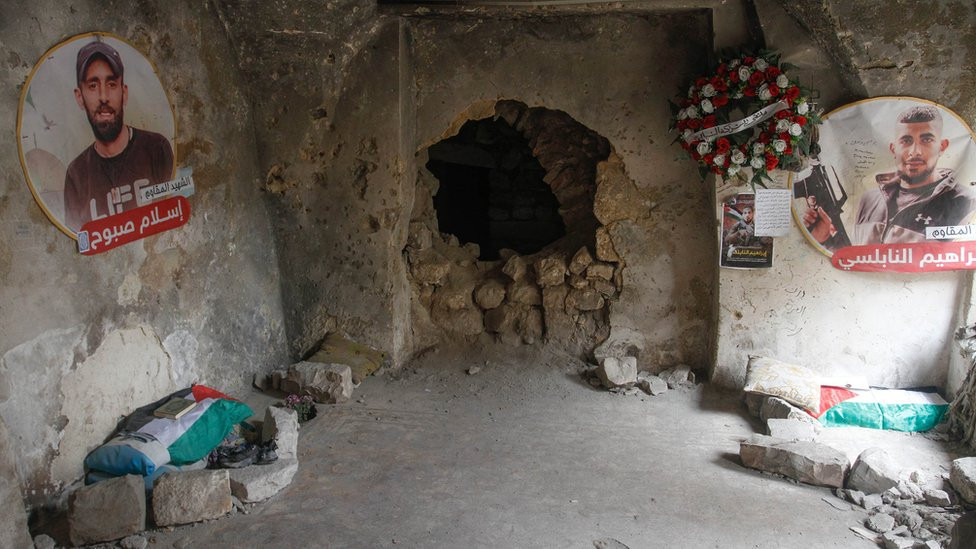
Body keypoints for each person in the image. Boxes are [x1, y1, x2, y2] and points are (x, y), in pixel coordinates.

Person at [804, 104, 976, 245]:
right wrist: (824, 238)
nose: (914, 151)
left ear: (942, 146)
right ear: (894, 148)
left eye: (926, 140)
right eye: (906, 141)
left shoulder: (966, 202)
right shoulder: (869, 199)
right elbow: (856, 258)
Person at [63, 40, 173, 232]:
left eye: (112, 84)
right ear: (79, 97)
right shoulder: (76, 175)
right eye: (93, 86)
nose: (104, 97)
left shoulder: (157, 149)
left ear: (124, 92)